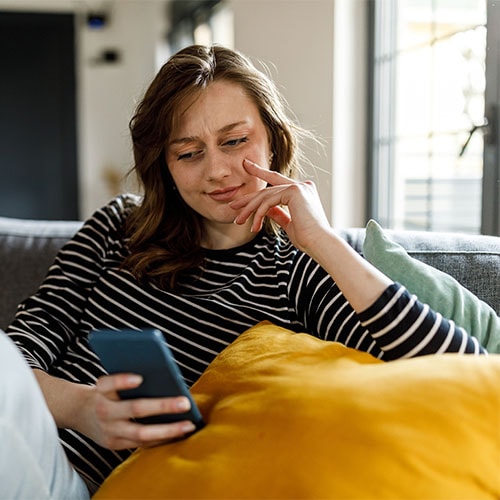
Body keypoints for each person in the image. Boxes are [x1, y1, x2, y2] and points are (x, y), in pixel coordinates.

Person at [4, 44, 486, 497]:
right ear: (165, 165)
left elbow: (462, 370)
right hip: (31, 443)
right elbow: (19, 354)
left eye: (235, 141)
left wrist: (323, 242)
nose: (217, 171)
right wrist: (84, 409)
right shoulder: (118, 226)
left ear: (273, 141)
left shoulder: (297, 273)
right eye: (189, 153)